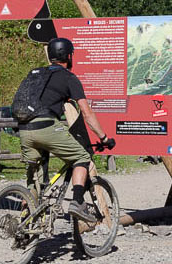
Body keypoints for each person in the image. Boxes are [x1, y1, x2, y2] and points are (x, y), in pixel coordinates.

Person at [19, 37, 116, 222]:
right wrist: (103, 138)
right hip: (46, 127)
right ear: (67, 56)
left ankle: (26, 219)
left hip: (24, 128)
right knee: (81, 157)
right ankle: (78, 201)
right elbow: (87, 113)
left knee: (35, 173)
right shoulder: (69, 78)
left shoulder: (35, 74)